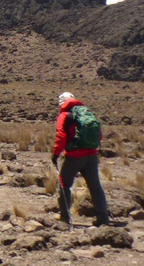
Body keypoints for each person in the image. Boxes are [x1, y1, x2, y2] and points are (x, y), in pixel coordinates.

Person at [52, 92, 109, 226]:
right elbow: (99, 136)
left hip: (74, 156)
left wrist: (55, 154)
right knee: (95, 186)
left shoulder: (64, 115)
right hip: (91, 155)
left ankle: (65, 217)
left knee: (64, 184)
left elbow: (60, 136)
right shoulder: (87, 113)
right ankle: (103, 218)